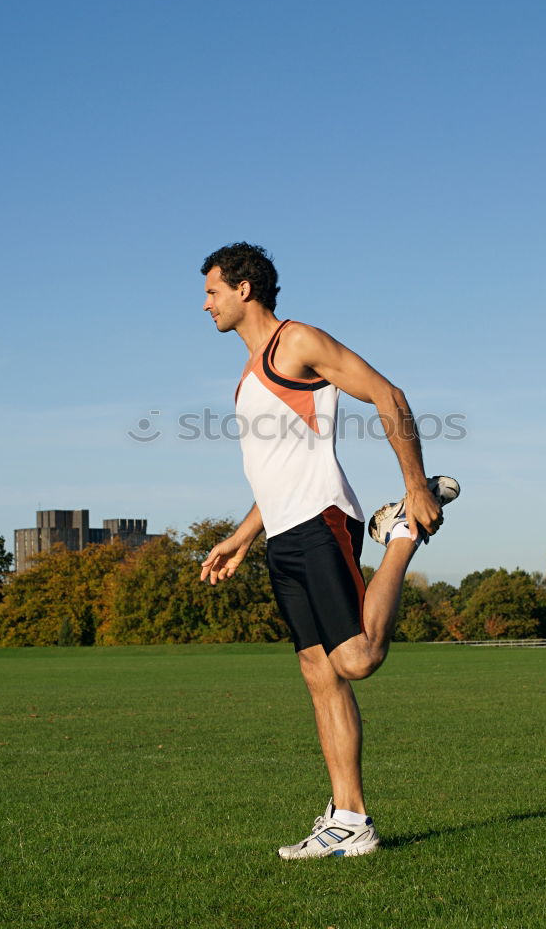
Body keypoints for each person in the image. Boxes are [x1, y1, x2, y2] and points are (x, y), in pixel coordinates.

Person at [199, 242, 459, 859]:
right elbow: (274, 471)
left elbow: (387, 394)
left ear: (244, 289)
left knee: (358, 659)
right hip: (283, 535)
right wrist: (241, 538)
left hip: (321, 518)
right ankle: (349, 820)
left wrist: (415, 485)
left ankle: (401, 533)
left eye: (212, 290)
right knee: (320, 674)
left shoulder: (297, 343)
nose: (204, 303)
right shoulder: (246, 373)